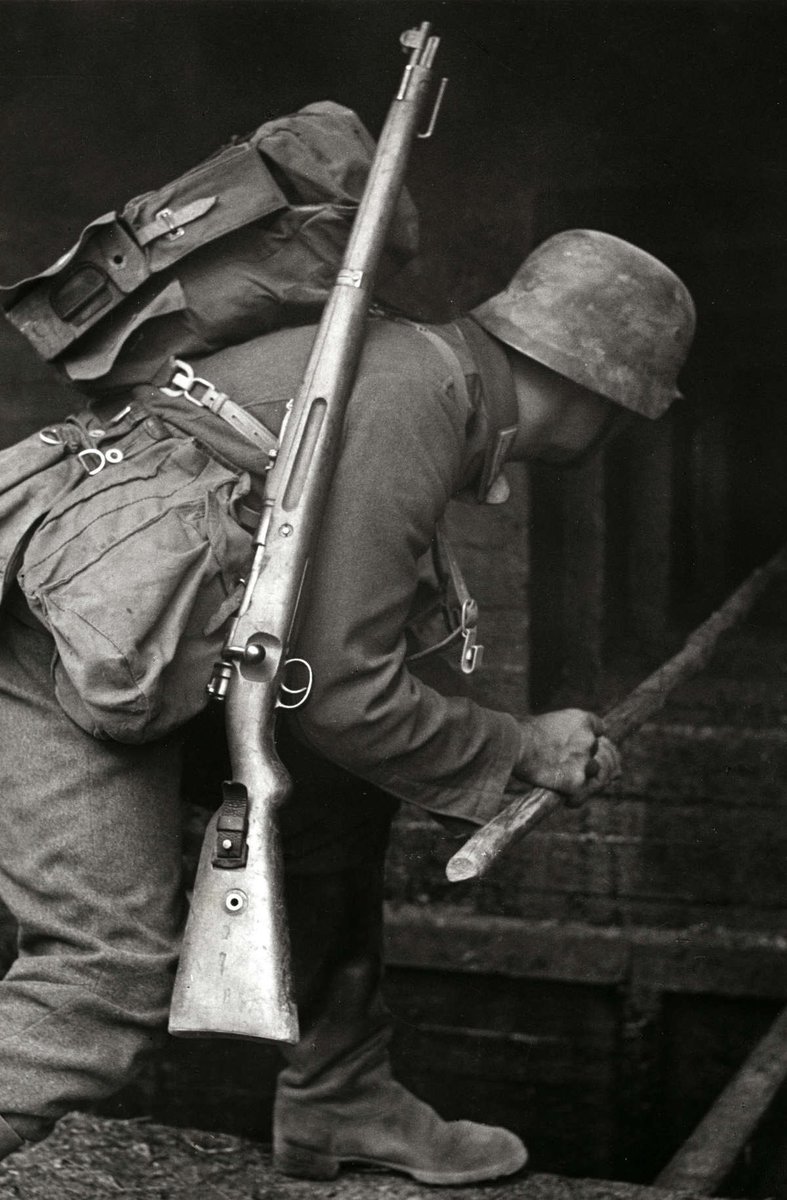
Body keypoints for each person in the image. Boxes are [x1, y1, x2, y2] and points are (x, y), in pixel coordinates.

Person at [0, 228, 695, 1184]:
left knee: (333, 791)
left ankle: (341, 1097)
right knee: (104, 972)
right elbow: (342, 691)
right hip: (57, 646)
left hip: (123, 635)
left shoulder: (419, 376)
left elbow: (331, 695)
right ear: (598, 391)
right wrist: (521, 747)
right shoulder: (416, 397)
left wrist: (477, 744)